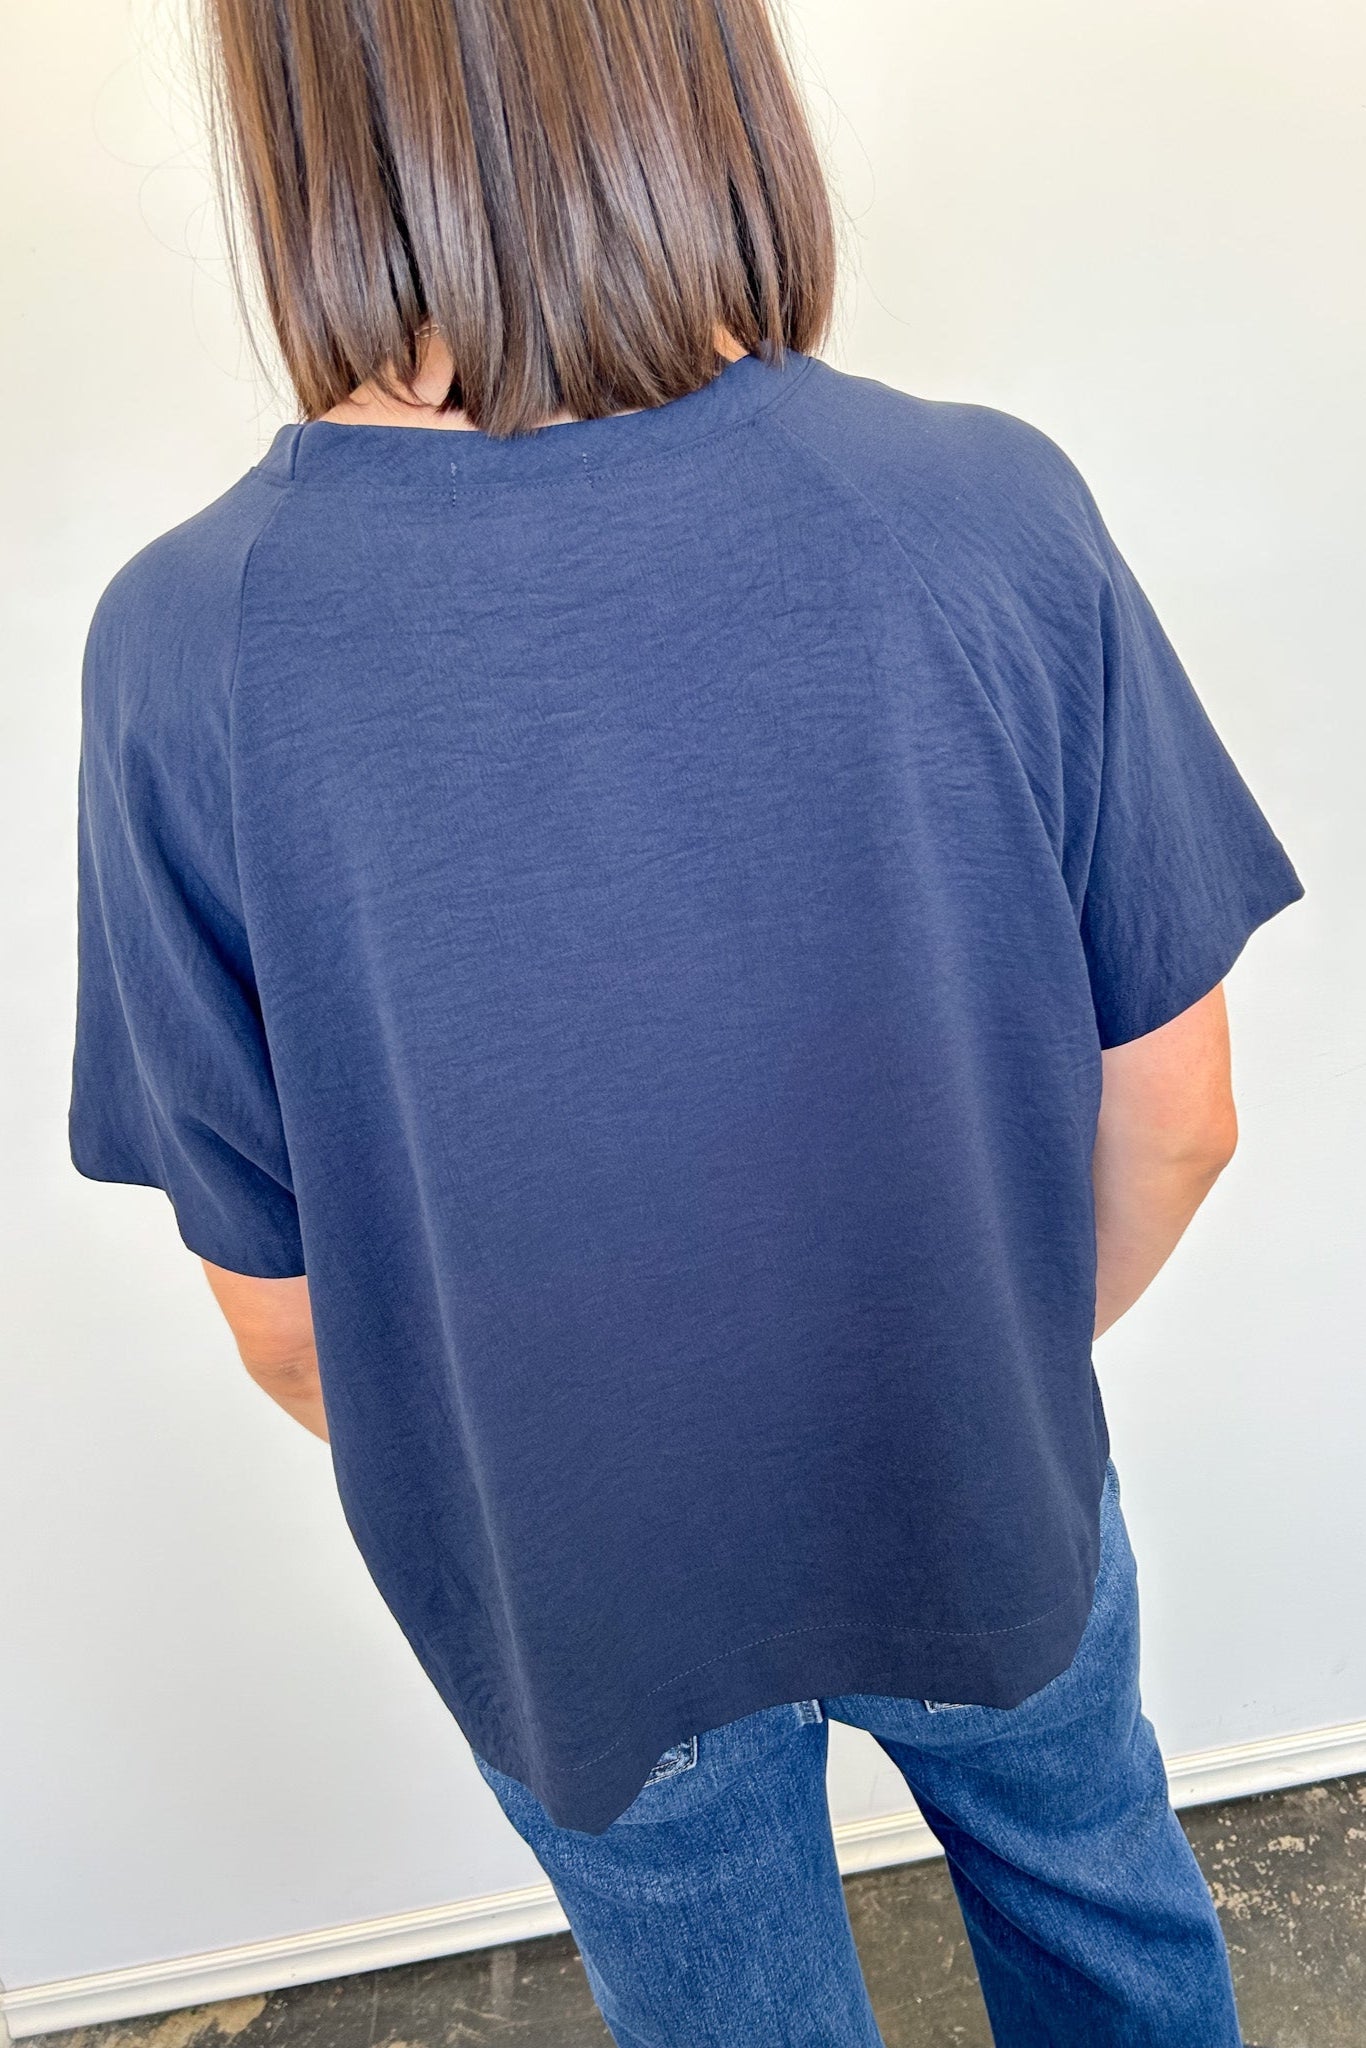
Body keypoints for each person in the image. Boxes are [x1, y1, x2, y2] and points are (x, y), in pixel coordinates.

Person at [68, 0, 1302, 2041]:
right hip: (970, 1470)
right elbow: (1177, 1116)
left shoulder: (191, 645)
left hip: (577, 1588)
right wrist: (941, 1371)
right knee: (1103, 1923)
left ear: (300, 130)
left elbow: (285, 1315)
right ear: (702, 83)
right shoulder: (981, 508)